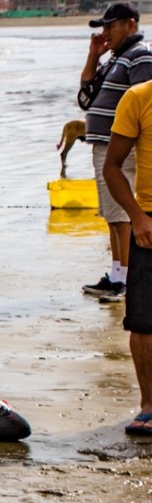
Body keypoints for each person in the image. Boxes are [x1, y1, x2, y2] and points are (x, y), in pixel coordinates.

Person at [80, 2, 152, 303]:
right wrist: (93, 56)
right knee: (112, 214)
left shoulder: (139, 56)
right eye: (103, 27)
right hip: (105, 145)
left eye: (111, 26)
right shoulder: (114, 60)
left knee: (121, 213)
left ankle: (121, 279)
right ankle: (116, 273)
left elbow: (143, 104)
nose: (105, 33)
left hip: (120, 146)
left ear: (131, 25)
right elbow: (85, 98)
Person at [103, 78, 152, 433]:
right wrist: (136, 216)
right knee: (143, 320)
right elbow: (112, 167)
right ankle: (149, 406)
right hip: (149, 223)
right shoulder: (138, 98)